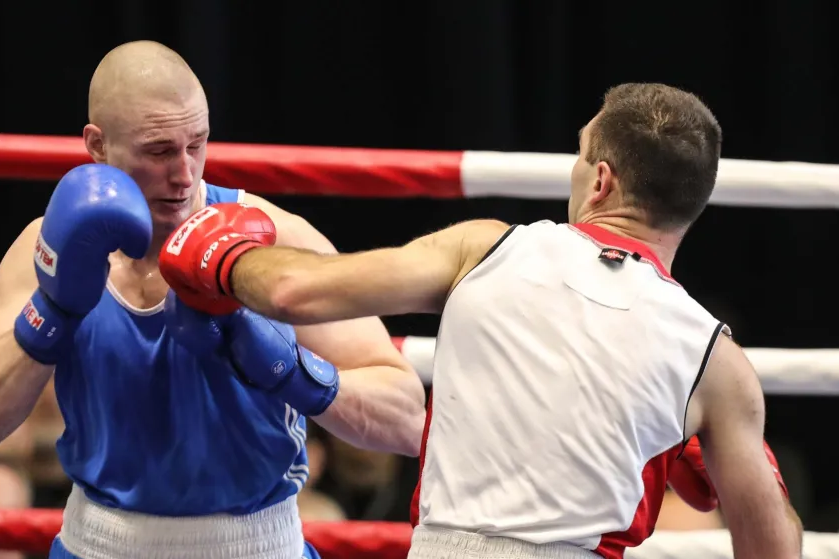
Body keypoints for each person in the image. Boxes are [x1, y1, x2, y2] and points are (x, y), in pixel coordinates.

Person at [160, 83, 804, 558]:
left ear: (601, 180)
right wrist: (756, 467)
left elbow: (296, 290)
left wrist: (212, 250)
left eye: (580, 154)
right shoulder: (715, 362)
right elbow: (773, 552)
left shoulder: (486, 250)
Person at [0, 40, 426, 559]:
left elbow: (405, 418)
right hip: (99, 544)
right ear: (97, 145)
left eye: (197, 144)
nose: (185, 173)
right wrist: (53, 311)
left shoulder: (271, 242)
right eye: (159, 151)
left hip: (256, 546)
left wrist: (292, 372)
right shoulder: (48, 248)